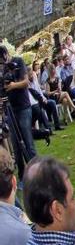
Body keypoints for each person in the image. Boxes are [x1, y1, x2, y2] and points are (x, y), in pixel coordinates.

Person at [1, 45, 36, 173]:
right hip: (10, 109)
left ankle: (35, 173)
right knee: (16, 145)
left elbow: (26, 82)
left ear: (6, 55)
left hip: (23, 107)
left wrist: (13, 86)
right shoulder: (2, 69)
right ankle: (22, 175)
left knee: (28, 142)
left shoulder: (18, 61)